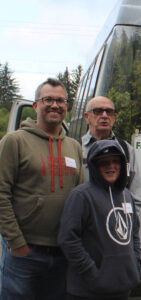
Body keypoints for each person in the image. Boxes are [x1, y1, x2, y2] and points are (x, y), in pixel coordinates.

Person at [0, 78, 84, 299]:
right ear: (36, 105)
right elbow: (1, 194)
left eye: (60, 101)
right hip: (25, 253)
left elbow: (81, 196)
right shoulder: (14, 142)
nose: (54, 105)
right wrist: (16, 243)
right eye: (48, 99)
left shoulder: (73, 146)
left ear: (66, 107)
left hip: (62, 253)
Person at [58, 139, 141, 299]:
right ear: (95, 166)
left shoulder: (127, 195)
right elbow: (68, 239)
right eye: (104, 163)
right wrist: (92, 273)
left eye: (116, 161)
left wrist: (135, 265)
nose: (111, 167)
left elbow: (134, 235)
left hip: (122, 289)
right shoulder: (81, 195)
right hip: (87, 292)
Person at [82, 96, 141, 215]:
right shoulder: (77, 147)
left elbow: (136, 195)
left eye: (109, 112)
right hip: (86, 222)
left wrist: (131, 225)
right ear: (86, 117)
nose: (104, 116)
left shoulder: (126, 149)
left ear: (114, 117)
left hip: (117, 224)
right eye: (98, 111)